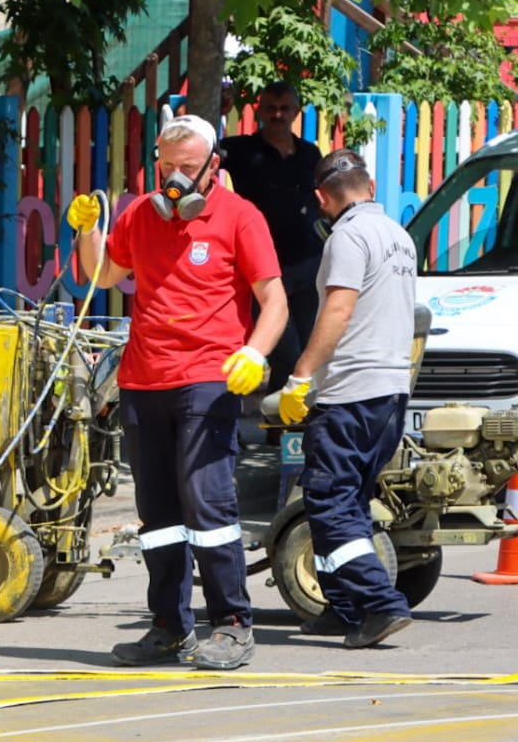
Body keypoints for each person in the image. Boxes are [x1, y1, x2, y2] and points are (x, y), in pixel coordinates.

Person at [68, 114, 287, 670]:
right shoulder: (141, 214)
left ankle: (233, 623)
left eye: (187, 169)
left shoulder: (241, 217)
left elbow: (276, 302)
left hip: (209, 379)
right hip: (143, 379)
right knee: (158, 513)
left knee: (206, 501)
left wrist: (254, 353)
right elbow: (102, 275)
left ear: (213, 166)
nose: (175, 181)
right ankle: (168, 626)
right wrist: (88, 230)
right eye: (167, 168)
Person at [277, 149, 416, 649]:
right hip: (389, 394)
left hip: (350, 395)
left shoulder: (348, 238)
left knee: (330, 502)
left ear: (321, 199)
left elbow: (338, 309)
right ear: (371, 186)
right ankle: (345, 604)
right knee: (349, 501)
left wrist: (300, 375)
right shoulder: (399, 238)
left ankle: (379, 604)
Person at [219, 82, 325, 388]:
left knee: (304, 348)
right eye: (270, 108)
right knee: (285, 350)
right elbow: (200, 159)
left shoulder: (309, 153)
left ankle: (283, 427)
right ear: (259, 110)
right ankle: (282, 419)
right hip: (260, 268)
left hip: (307, 265)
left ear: (296, 112)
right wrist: (216, 113)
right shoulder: (239, 150)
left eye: (284, 108)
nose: (277, 114)